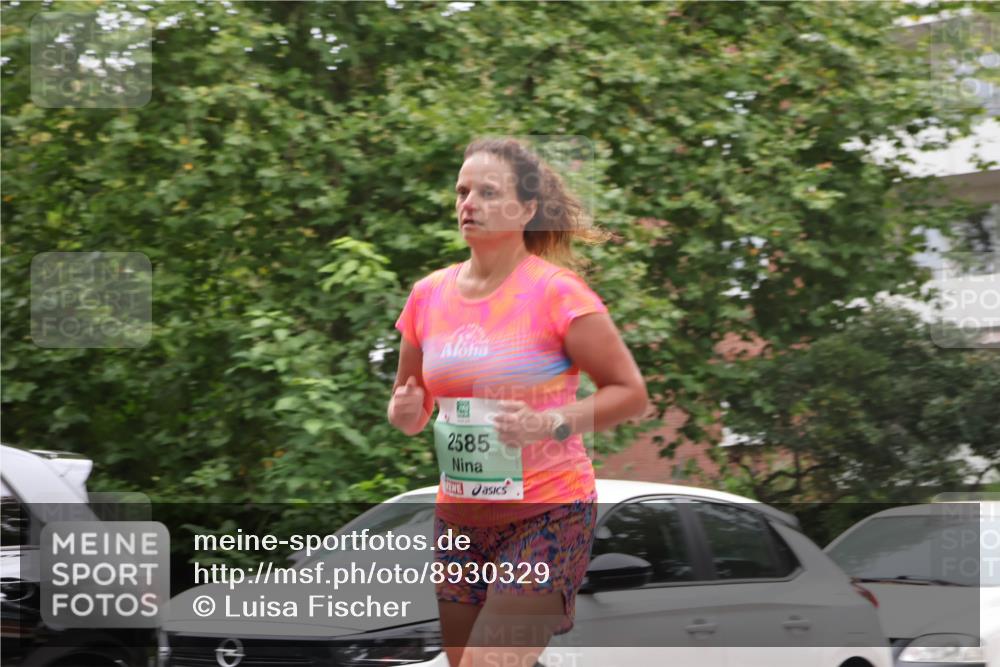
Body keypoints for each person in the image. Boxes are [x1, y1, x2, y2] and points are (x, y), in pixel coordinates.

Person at [387, 137, 648, 667]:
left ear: (526, 210)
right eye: (462, 191)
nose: (469, 203)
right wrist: (406, 414)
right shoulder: (428, 296)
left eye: (487, 192)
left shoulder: (556, 293)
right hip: (459, 516)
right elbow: (410, 402)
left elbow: (630, 394)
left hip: (548, 511)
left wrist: (550, 422)